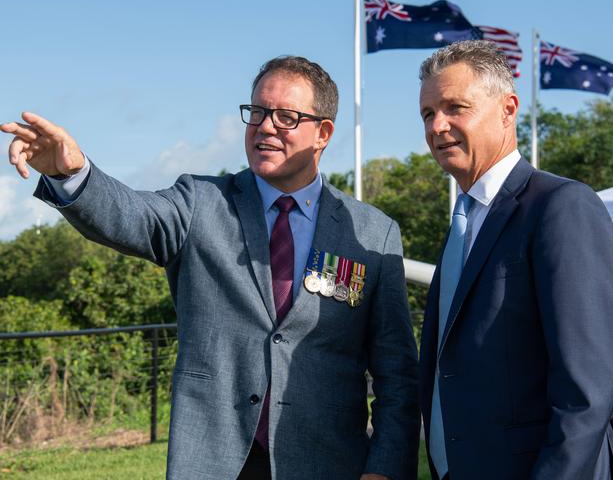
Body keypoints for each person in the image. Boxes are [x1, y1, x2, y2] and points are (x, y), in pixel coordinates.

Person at [1, 56, 419, 480]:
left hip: (328, 464)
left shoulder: (371, 233)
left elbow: (397, 375)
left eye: (286, 117)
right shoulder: (199, 201)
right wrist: (73, 173)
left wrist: (384, 468)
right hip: (213, 462)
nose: (265, 126)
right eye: (256, 112)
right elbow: (132, 217)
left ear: (323, 133)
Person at [417, 40, 613, 479]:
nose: (438, 126)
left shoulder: (562, 207)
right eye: (428, 113)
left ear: (508, 109)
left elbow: (584, 395)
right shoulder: (463, 223)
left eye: (456, 107)